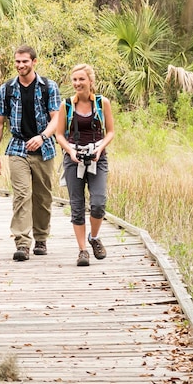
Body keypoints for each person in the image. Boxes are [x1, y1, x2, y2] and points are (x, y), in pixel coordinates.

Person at [0, 46, 62, 261]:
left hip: (44, 147)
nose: (21, 65)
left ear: (34, 62)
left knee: (42, 196)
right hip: (18, 147)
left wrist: (43, 136)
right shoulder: (7, 89)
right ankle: (22, 242)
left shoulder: (49, 87)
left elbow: (56, 117)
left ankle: (41, 238)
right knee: (22, 194)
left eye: (25, 61)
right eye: (18, 62)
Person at [55, 64, 115, 267]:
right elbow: (59, 134)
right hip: (73, 159)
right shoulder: (66, 105)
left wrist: (99, 149)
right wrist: (70, 151)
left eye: (81, 79)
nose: (78, 83)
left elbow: (111, 132)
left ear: (90, 81)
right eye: (74, 80)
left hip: (98, 156)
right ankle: (82, 251)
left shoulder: (101, 103)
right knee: (77, 205)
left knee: (98, 202)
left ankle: (94, 237)